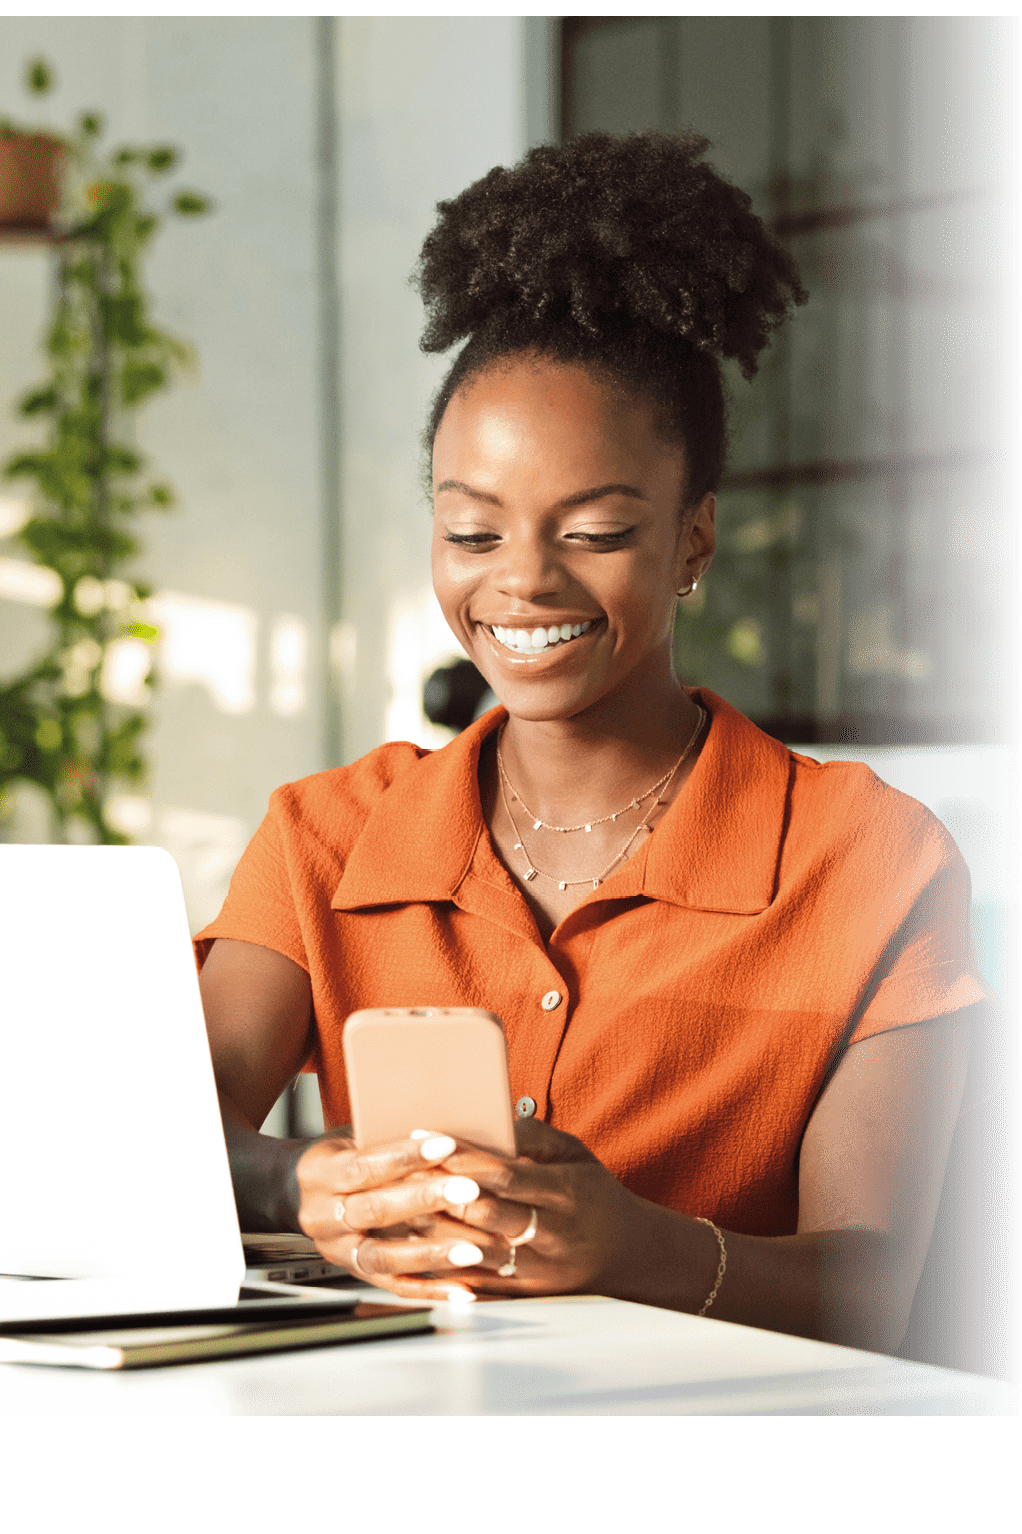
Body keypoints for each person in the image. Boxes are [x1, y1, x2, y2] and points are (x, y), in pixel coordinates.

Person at [195, 132, 995, 1354]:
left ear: (692, 539)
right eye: (471, 535)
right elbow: (156, 1138)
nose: (522, 582)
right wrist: (303, 1184)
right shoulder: (327, 834)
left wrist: (624, 1244)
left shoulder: (870, 862)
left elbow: (871, 1291)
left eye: (596, 531)